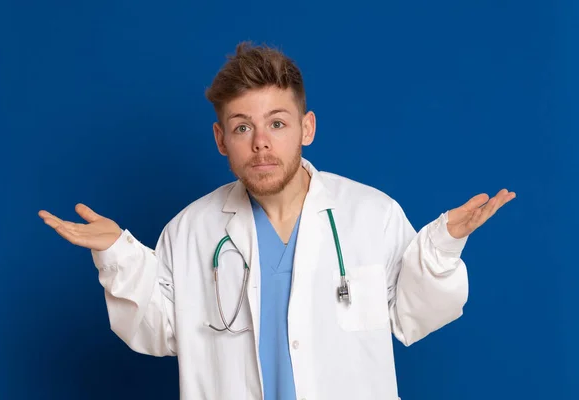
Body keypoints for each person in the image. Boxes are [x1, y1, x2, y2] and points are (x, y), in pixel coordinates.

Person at [38, 42, 516, 400]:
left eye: (278, 123)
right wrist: (117, 253)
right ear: (221, 139)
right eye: (242, 126)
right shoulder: (190, 231)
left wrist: (441, 247)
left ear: (306, 128)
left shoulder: (371, 215)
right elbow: (160, 330)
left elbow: (414, 314)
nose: (261, 142)